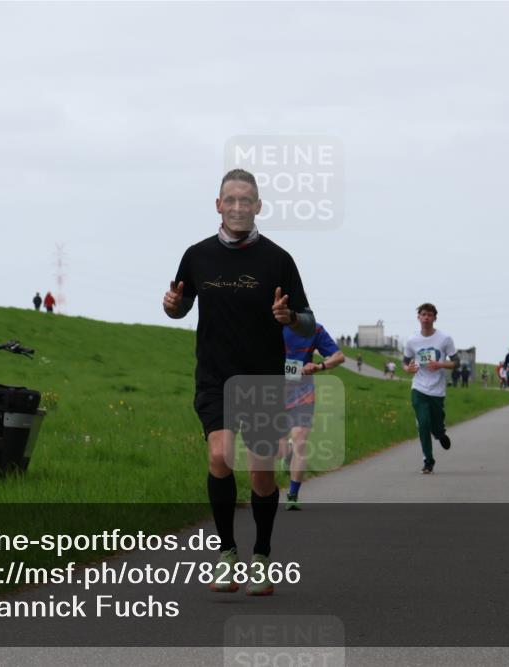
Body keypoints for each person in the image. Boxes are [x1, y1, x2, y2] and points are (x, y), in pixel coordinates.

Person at [163, 168, 315, 596]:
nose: (237, 207)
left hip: (263, 379)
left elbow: (308, 322)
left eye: (246, 200)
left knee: (262, 474)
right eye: (230, 199)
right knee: (220, 455)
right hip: (214, 376)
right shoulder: (197, 256)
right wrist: (173, 305)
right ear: (218, 205)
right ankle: (227, 553)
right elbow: (180, 305)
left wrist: (290, 318)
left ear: (258, 206)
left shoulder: (278, 260)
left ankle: (262, 556)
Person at [278, 322, 344, 510]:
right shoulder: (270, 324)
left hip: (302, 392)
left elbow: (339, 357)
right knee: (279, 450)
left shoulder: (314, 329)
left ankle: (292, 494)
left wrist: (319, 366)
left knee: (300, 440)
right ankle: (287, 453)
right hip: (273, 391)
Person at [403, 303, 457, 474]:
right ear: (418, 317)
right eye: (423, 314)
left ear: (434, 318)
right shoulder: (412, 340)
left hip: (437, 389)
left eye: (430, 315)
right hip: (418, 387)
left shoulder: (445, 339)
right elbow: (405, 362)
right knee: (423, 423)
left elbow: (456, 362)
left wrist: (440, 364)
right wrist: (408, 369)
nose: (426, 318)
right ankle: (428, 461)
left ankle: (440, 434)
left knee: (436, 423)